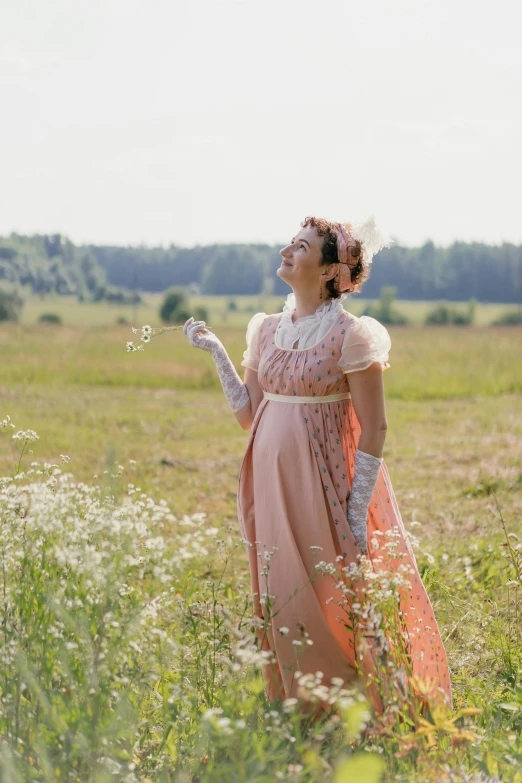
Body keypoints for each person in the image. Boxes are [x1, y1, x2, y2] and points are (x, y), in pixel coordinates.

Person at [183, 215, 453, 721]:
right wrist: (217, 352)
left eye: (302, 245)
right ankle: (296, 709)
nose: (287, 249)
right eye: (292, 241)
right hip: (267, 481)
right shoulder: (265, 329)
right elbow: (248, 413)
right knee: (282, 590)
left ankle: (350, 711)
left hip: (326, 484)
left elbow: (375, 429)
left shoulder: (353, 337)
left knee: (332, 596)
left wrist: (357, 508)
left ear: (330, 271)